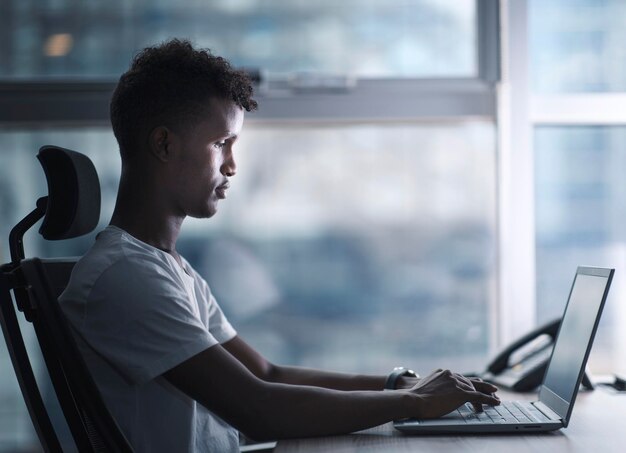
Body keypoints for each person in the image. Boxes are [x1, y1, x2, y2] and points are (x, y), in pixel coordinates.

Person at [59, 38, 500, 452]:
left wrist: (395, 384)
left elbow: (266, 373)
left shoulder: (167, 268)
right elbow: (258, 408)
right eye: (221, 144)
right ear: (163, 143)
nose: (232, 165)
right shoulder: (126, 275)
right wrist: (414, 403)